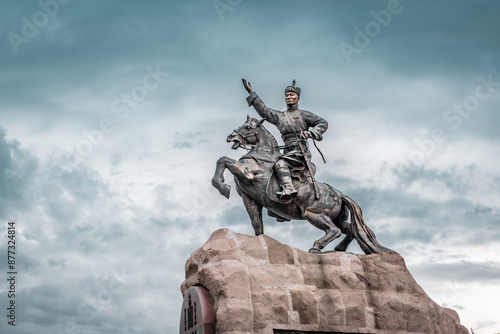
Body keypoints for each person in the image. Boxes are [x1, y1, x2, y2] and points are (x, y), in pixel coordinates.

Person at [242, 79, 328, 203]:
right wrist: (252, 94)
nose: (288, 97)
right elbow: (264, 111)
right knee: (269, 169)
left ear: (297, 98)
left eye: (292, 95)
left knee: (280, 165)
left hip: (299, 151)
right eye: (287, 95)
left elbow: (323, 122)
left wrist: (310, 133)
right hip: (286, 151)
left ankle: (289, 189)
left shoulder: (303, 114)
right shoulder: (280, 117)